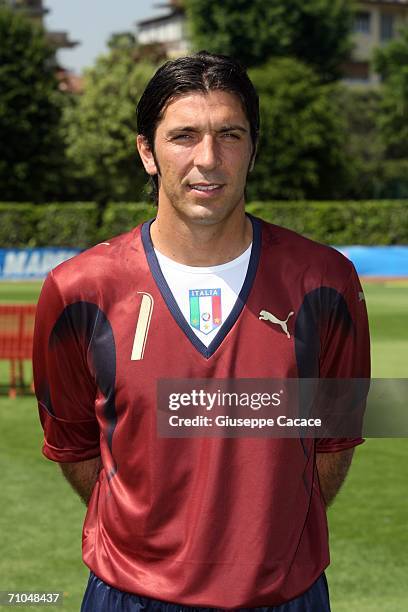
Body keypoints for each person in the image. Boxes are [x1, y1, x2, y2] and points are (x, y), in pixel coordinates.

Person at [33, 51, 370, 611]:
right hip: (130, 597)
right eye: (184, 135)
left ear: (253, 149)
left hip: (286, 595)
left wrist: (261, 547)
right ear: (148, 151)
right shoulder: (77, 289)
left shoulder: (327, 281)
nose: (208, 159)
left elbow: (333, 440)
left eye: (230, 135)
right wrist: (152, 545)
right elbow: (73, 447)